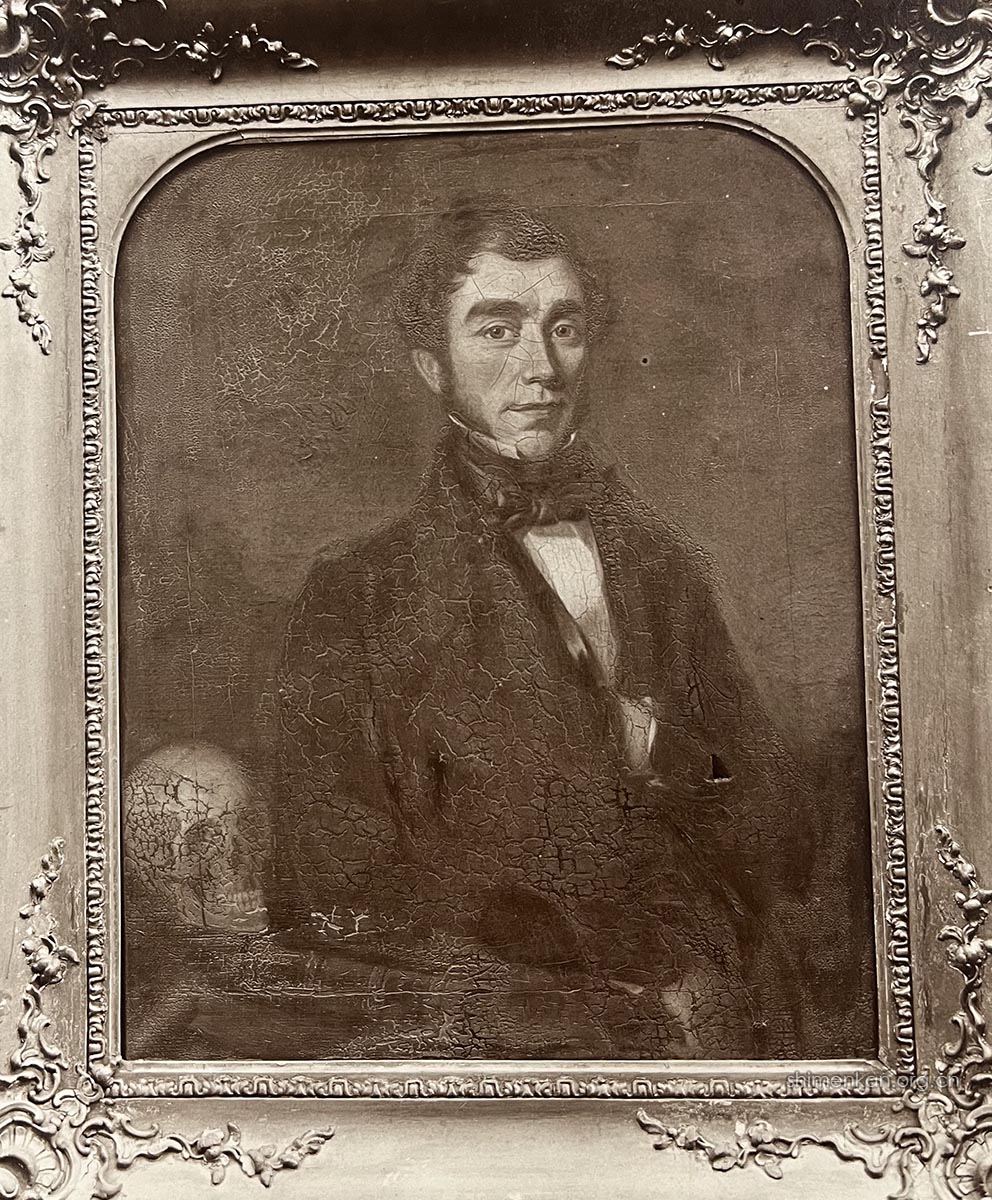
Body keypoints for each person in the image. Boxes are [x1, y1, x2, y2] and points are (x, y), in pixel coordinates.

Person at [269, 203, 812, 1059]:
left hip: (704, 1022)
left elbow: (774, 818)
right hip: (499, 1038)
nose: (542, 367)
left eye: (565, 328)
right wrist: (578, 1003)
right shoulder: (359, 594)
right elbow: (335, 885)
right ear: (432, 365)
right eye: (498, 330)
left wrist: (662, 751)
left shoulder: (660, 565)